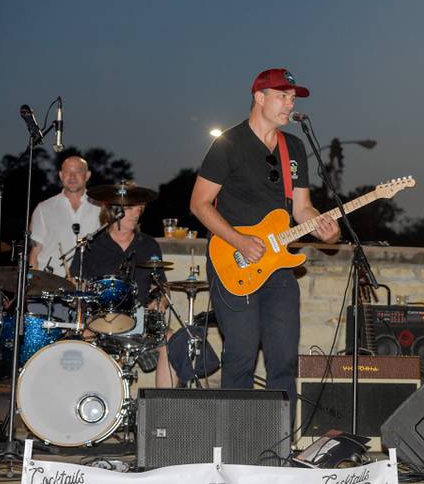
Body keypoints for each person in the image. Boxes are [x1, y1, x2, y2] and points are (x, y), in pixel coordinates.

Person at [190, 68, 340, 417]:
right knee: (241, 354)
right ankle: (234, 444)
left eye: (293, 97)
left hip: (278, 265)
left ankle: (280, 445)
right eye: (283, 96)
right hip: (234, 260)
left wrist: (323, 227)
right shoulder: (229, 143)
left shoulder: (295, 147)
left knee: (284, 358)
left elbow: (302, 208)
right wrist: (239, 240)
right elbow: (199, 204)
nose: (290, 103)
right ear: (260, 97)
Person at [70, 200, 177, 388]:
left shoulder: (148, 244)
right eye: (130, 209)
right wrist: (77, 290)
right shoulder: (91, 245)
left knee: (172, 340)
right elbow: (74, 283)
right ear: (113, 212)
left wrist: (161, 301)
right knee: (82, 339)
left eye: (139, 209)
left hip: (138, 318)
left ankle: (162, 410)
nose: (136, 214)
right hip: (98, 320)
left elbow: (163, 285)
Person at [29, 155, 101, 277]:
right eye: (68, 172)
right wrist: (31, 285)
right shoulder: (43, 208)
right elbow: (35, 252)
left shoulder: (100, 208)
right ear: (61, 175)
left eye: (78, 171)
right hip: (50, 284)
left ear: (87, 175)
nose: (72, 176)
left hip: (88, 287)